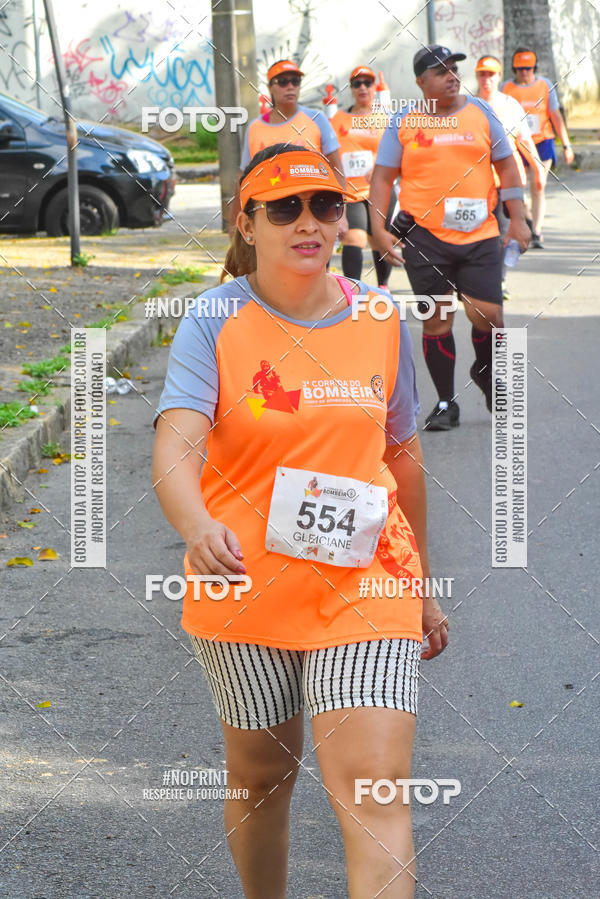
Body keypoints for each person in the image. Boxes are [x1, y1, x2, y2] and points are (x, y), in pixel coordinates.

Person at [153, 143, 450, 899]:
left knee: (375, 785)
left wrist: (423, 585)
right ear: (245, 222)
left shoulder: (381, 316)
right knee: (260, 777)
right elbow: (174, 450)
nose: (308, 221)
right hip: (245, 585)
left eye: (324, 204)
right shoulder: (213, 319)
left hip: (367, 581)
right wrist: (195, 525)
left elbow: (403, 460)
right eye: (283, 207)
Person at [370, 44, 530, 430]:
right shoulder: (404, 120)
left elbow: (507, 168)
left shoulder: (481, 114)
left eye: (453, 68)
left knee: (488, 315)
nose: (451, 76)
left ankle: (486, 371)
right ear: (421, 82)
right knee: (436, 320)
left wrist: (519, 219)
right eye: (440, 71)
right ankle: (445, 403)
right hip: (426, 236)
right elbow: (382, 177)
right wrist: (378, 228)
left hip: (480, 234)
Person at [229, 59, 346, 237]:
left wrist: (341, 214)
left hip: (313, 214)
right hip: (272, 216)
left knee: (315, 263)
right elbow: (242, 179)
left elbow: (336, 168)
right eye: (283, 82)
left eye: (295, 81)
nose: (290, 86)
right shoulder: (255, 128)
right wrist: (234, 224)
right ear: (270, 88)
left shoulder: (317, 119)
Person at [474, 55, 545, 299]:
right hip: (478, 185)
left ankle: (499, 279)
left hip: (507, 181)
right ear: (476, 76)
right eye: (482, 74)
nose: (486, 79)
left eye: (491, 74)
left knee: (508, 232)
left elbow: (524, 139)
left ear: (498, 76)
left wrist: (538, 168)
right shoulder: (468, 105)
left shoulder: (510, 105)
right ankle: (480, 279)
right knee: (481, 235)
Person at [502, 48, 574, 248]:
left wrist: (566, 145)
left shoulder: (545, 85)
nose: (524, 72)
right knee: (518, 186)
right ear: (514, 69)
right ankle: (527, 217)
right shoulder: (506, 88)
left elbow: (556, 116)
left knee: (539, 183)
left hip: (542, 141)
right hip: (518, 143)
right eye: (520, 69)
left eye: (528, 68)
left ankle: (536, 231)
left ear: (534, 68)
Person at [330, 65, 394, 289]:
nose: (363, 87)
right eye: (357, 83)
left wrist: (379, 164)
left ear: (375, 87)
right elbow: (329, 152)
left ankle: (383, 287)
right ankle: (352, 290)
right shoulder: (338, 118)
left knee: (379, 240)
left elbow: (397, 149)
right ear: (351, 88)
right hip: (351, 192)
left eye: (367, 82)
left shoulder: (384, 117)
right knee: (353, 238)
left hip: (379, 190)